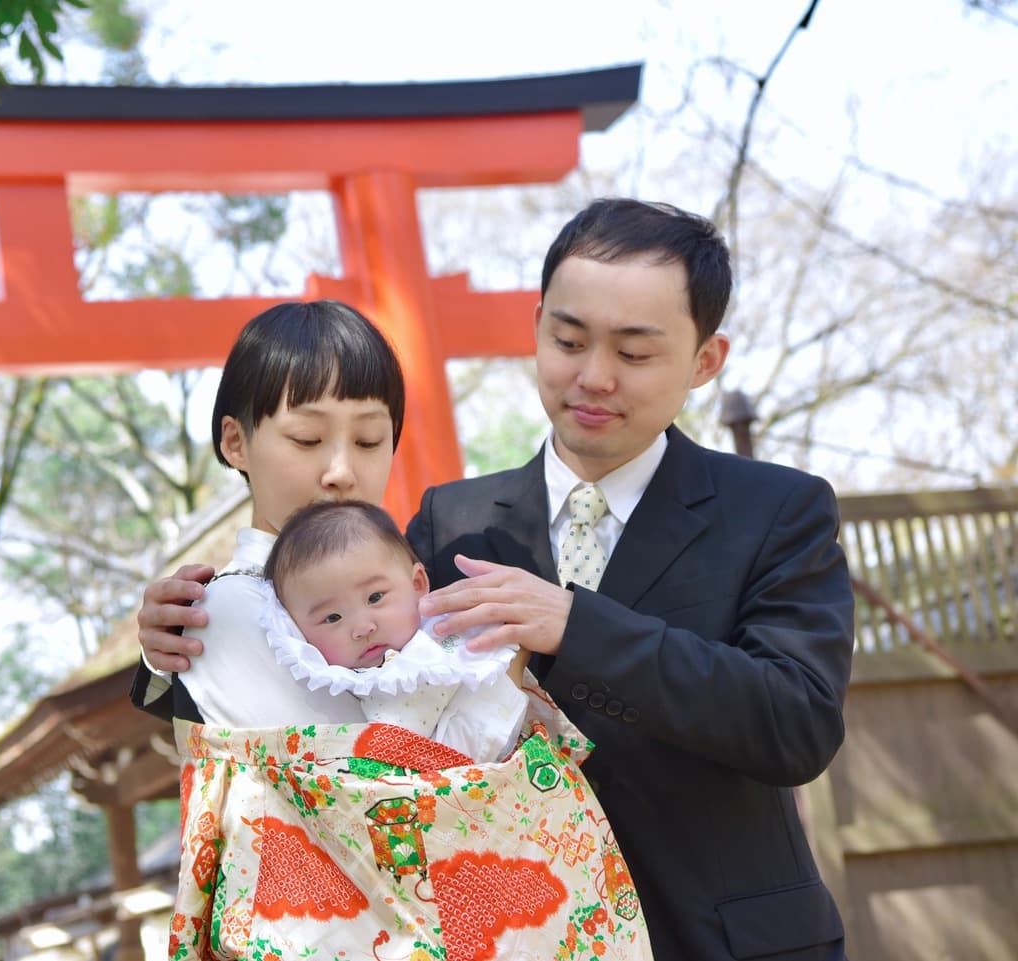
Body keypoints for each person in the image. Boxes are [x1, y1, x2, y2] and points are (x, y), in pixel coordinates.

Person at [133, 199, 855, 961]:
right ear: (538, 324)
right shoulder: (452, 521)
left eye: (635, 353)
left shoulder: (777, 508)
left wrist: (576, 628)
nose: (594, 375)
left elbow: (798, 721)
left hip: (720, 939)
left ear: (706, 359)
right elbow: (332, 667)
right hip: (511, 936)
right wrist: (163, 650)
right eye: (569, 339)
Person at [156, 299, 651, 961]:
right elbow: (391, 765)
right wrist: (500, 672)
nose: (342, 470)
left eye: (368, 439)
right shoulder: (227, 610)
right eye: (307, 439)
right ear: (235, 442)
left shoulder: (413, 572)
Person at [262, 498, 527, 762]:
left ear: (417, 583)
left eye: (375, 598)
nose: (363, 628)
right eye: (332, 617)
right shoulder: (362, 686)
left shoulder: (452, 628)